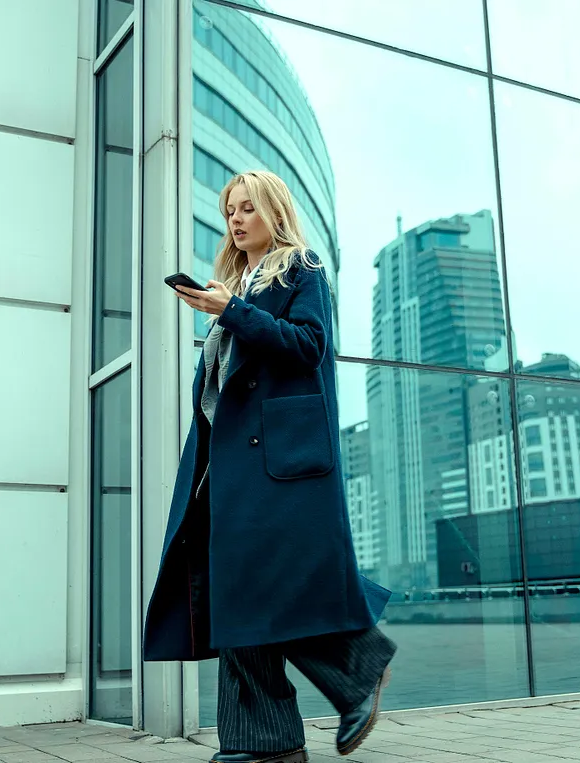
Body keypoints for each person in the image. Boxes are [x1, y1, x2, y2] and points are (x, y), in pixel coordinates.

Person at [143, 170, 397, 763]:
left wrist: (232, 311)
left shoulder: (300, 266)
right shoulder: (241, 280)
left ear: (274, 212)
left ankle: (354, 671)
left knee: (262, 585)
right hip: (228, 460)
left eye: (248, 208)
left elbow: (309, 345)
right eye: (230, 209)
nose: (236, 219)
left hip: (277, 460)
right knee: (236, 589)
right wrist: (226, 309)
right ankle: (266, 742)